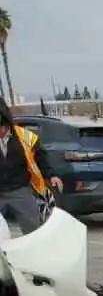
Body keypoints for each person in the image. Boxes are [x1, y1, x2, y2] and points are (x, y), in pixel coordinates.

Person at [0, 99, 63, 236]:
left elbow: (41, 158)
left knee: (34, 231)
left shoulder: (25, 137)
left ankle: (37, 256)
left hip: (19, 190)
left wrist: (52, 175)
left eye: (2, 127)